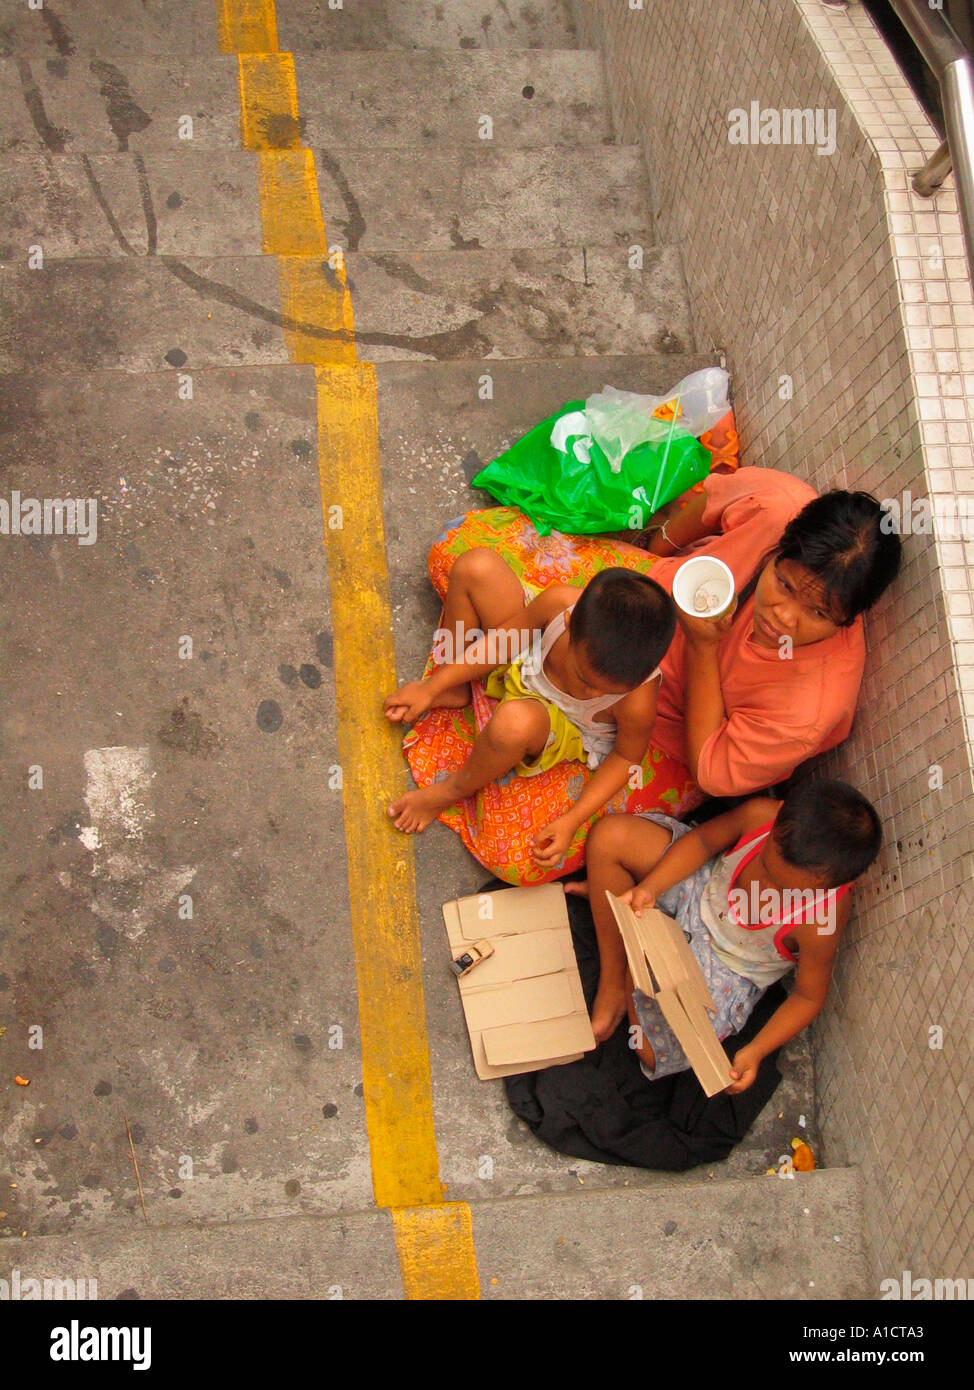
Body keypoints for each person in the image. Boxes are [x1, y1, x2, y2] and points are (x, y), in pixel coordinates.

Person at [402, 468, 902, 884]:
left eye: (813, 613)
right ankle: (462, 694)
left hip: (665, 739)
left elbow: (709, 770)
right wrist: (657, 548)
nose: (782, 616)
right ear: (782, 546)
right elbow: (707, 503)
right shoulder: (780, 507)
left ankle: (486, 727)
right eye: (783, 583)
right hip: (634, 607)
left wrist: (703, 651)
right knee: (460, 549)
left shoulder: (813, 707)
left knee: (517, 851)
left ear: (848, 618)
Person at [385, 567, 676, 869]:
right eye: (583, 677)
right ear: (569, 622)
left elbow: (626, 757)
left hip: (562, 723)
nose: (589, 690)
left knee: (513, 724)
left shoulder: (637, 700)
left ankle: (451, 790)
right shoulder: (558, 605)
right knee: (476, 569)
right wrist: (433, 686)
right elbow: (502, 642)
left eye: (604, 690)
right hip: (527, 660)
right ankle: (458, 689)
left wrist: (572, 820)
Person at [571, 778, 882, 1059]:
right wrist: (652, 887)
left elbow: (807, 997)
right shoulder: (761, 815)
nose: (768, 886)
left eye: (786, 889)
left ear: (830, 888)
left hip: (722, 966)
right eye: (766, 866)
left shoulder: (820, 923)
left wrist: (756, 1051)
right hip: (701, 886)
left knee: (652, 1051)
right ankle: (615, 980)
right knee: (611, 837)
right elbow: (703, 842)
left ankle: (622, 922)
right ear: (779, 816)